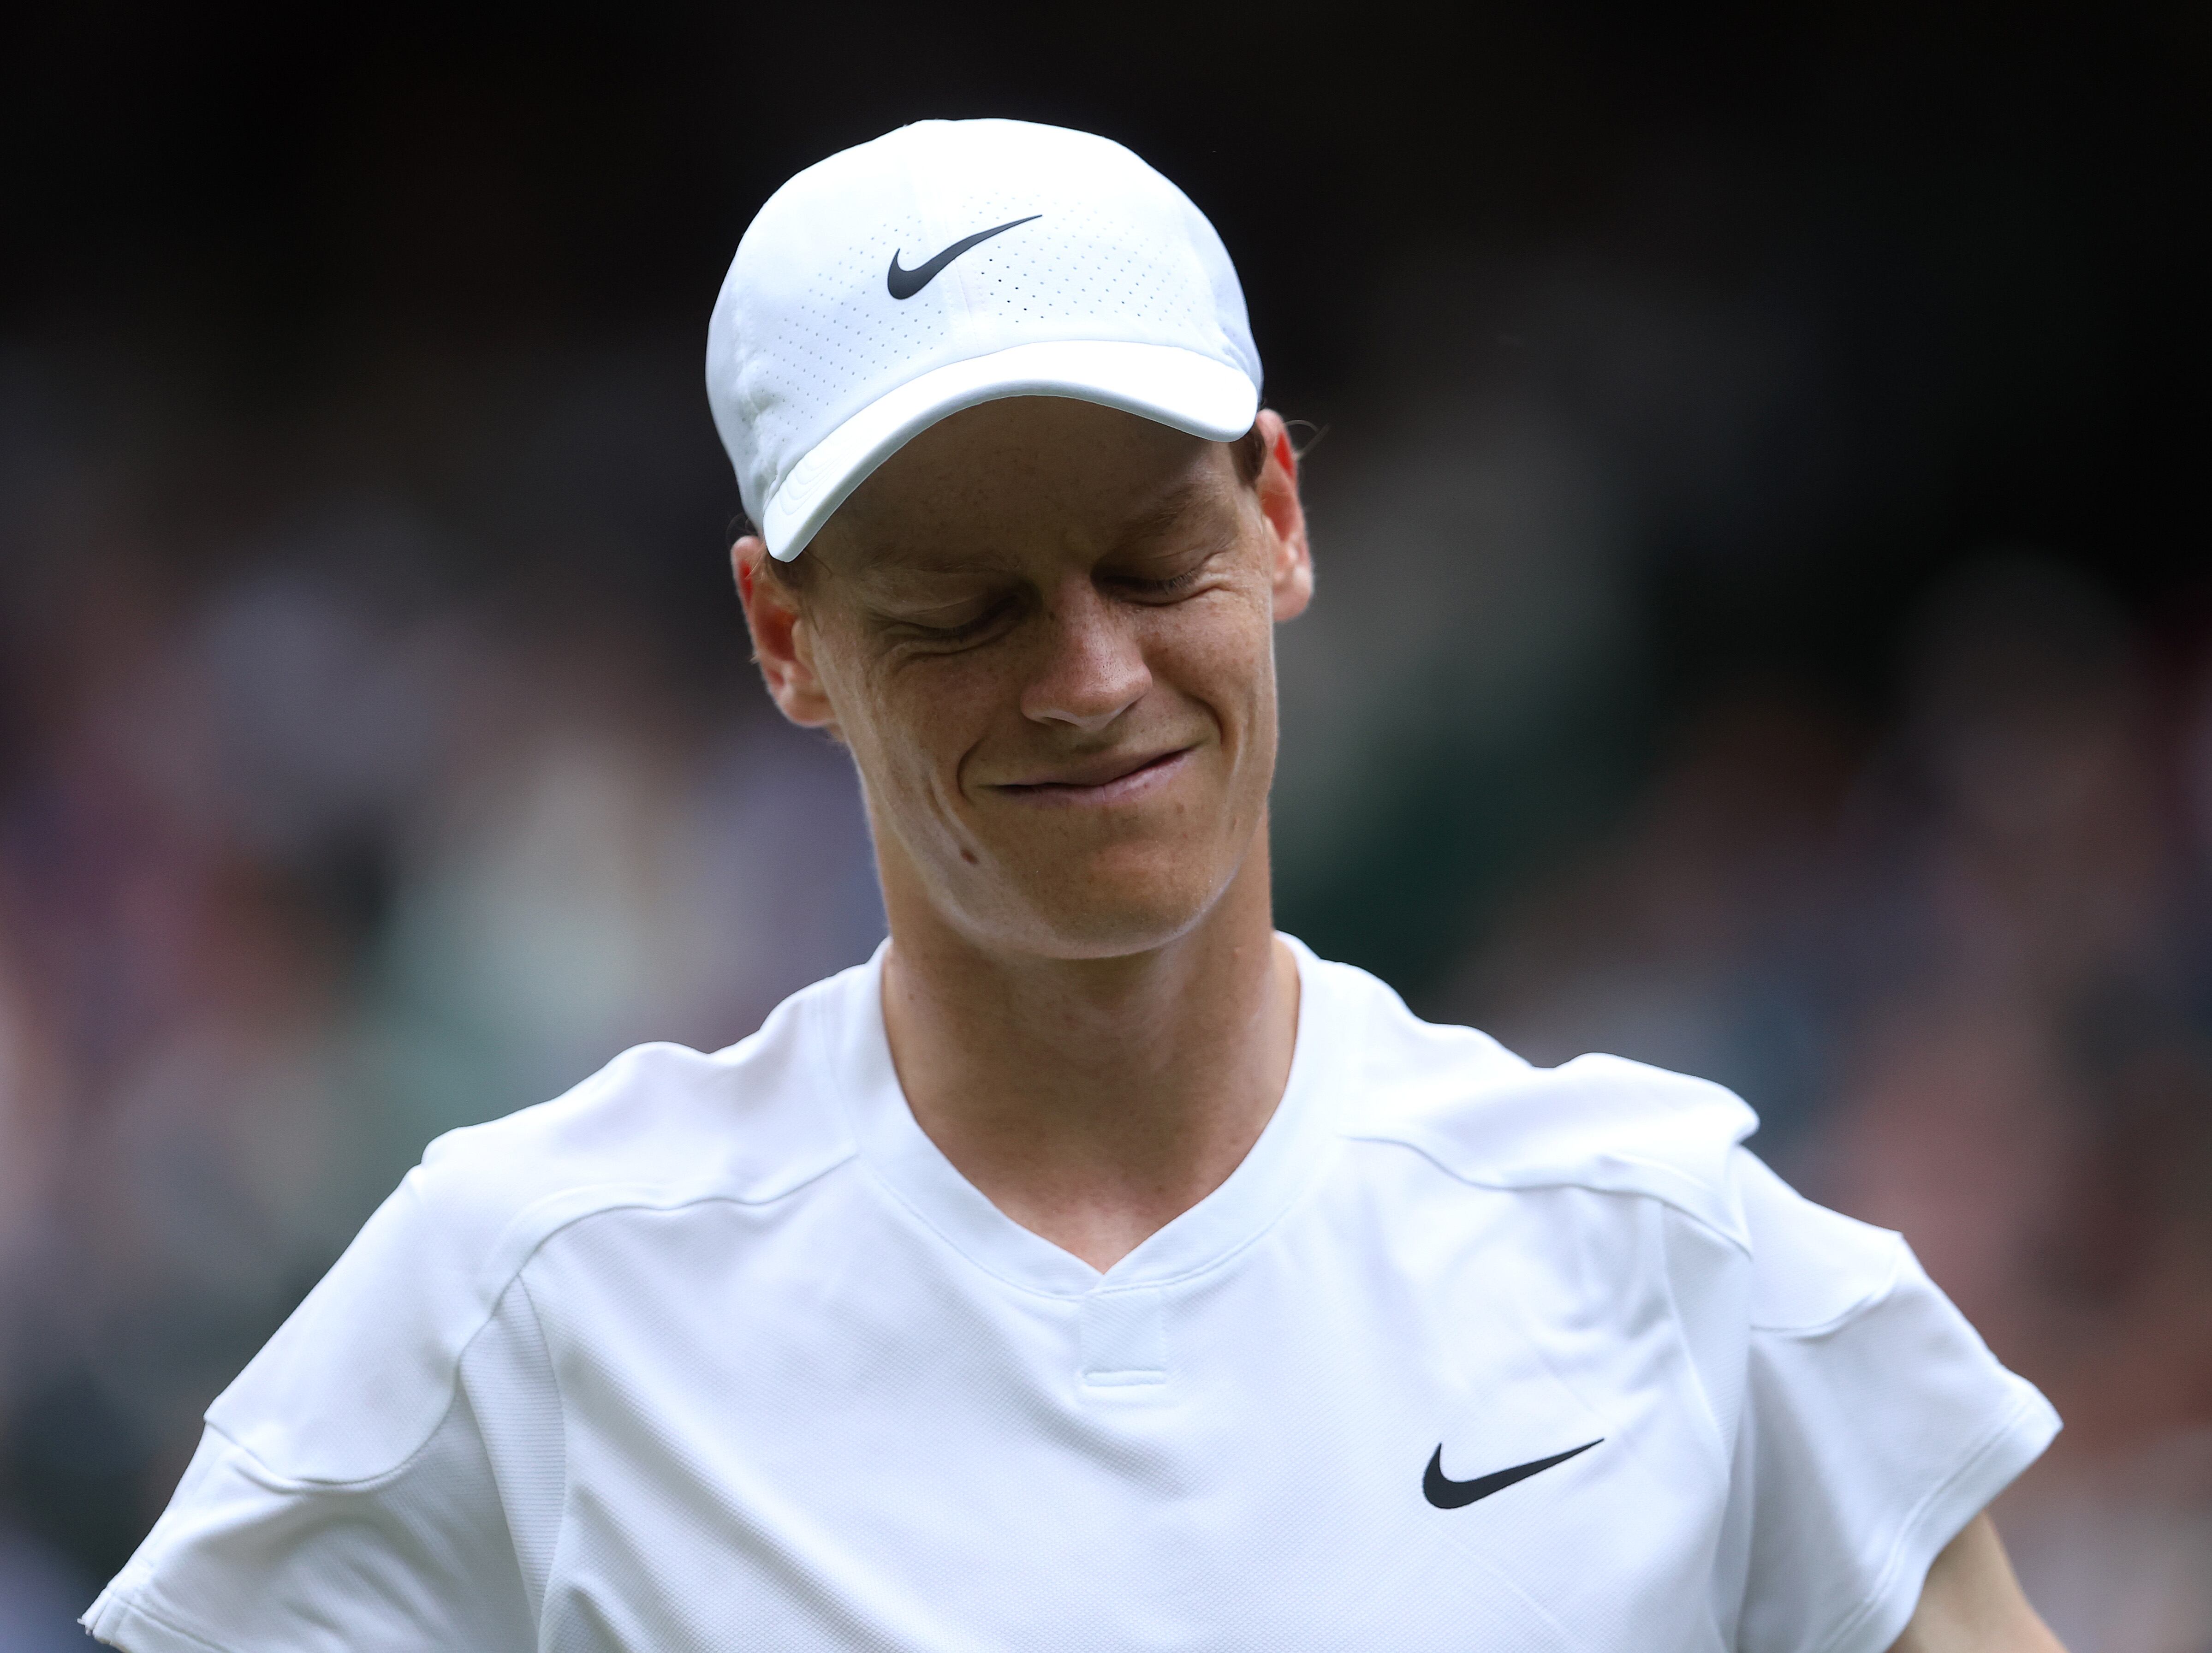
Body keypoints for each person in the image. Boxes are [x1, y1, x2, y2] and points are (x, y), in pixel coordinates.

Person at [83, 118, 2065, 1653]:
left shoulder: (1676, 1259)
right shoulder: (529, 1291)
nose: (1089, 675)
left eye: (1148, 562)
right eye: (960, 605)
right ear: (783, 636)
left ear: (1278, 515)